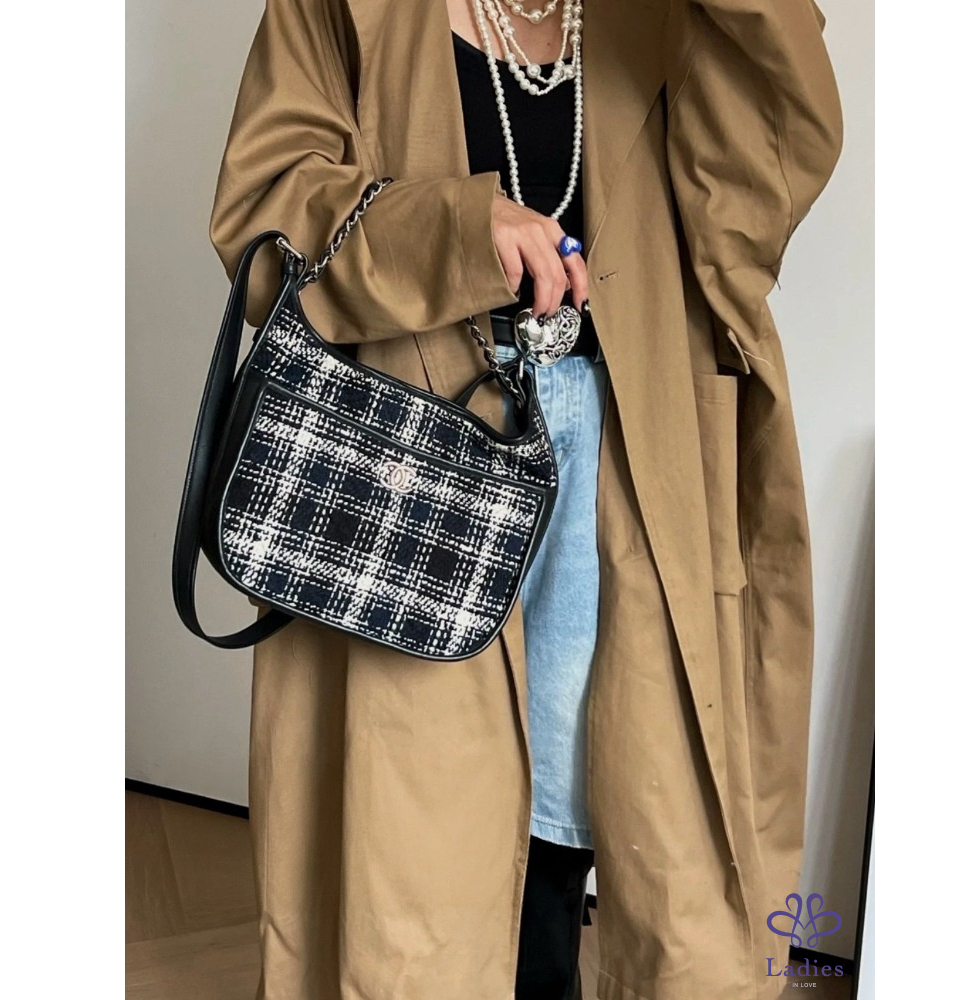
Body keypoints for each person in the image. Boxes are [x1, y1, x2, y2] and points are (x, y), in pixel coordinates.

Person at [209, 0, 842, 998]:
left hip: (628, 460)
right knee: (427, 823)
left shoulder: (680, 15)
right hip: (412, 459)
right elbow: (263, 211)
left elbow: (754, 205)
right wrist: (458, 225)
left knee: (596, 790)